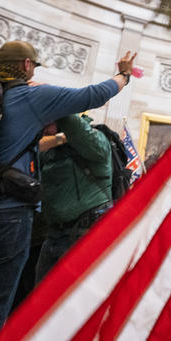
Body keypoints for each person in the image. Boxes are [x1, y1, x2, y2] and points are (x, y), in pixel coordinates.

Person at [0, 41, 136, 341]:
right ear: (27, 65)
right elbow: (94, 95)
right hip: (4, 219)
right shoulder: (31, 96)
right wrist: (123, 75)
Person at [35, 114, 112, 281]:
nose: (44, 129)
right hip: (54, 235)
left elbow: (77, 130)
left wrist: (58, 106)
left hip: (83, 234)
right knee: (41, 294)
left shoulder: (95, 141)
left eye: (49, 122)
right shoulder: (50, 149)